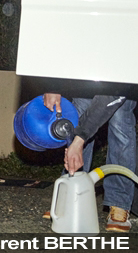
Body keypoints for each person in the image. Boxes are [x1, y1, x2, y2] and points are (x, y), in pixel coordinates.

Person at [43, 93, 136, 232]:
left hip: (118, 83)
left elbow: (111, 96)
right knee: (79, 114)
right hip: (87, 76)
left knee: (120, 119)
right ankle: (69, 198)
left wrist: (79, 141)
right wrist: (51, 88)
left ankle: (119, 201)